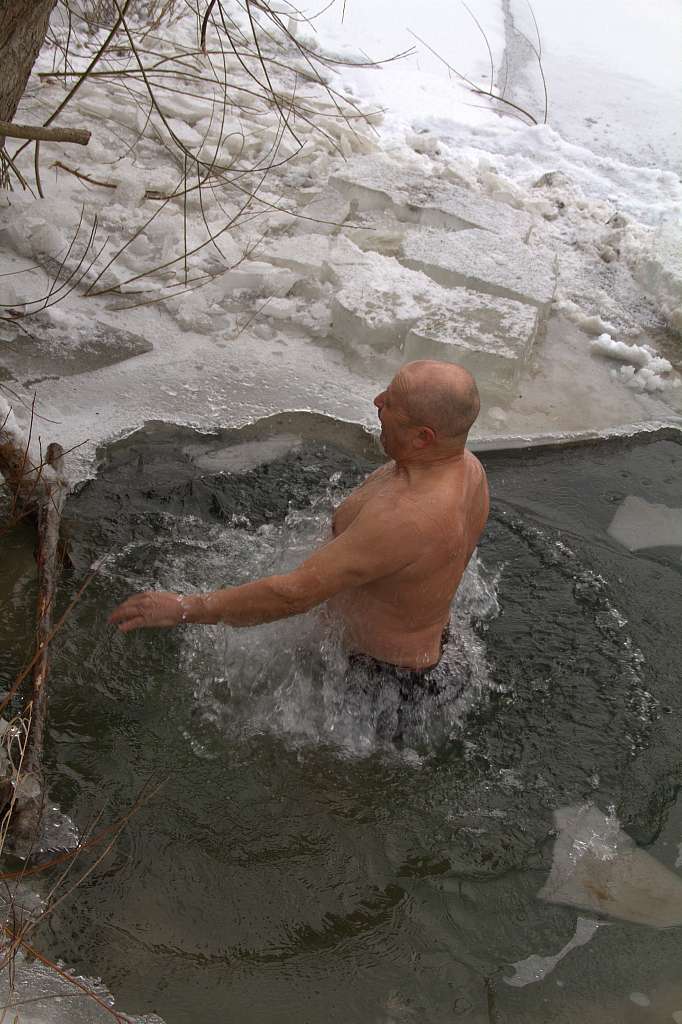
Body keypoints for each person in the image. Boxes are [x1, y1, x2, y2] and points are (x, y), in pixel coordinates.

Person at [109, 360, 489, 677]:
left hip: (379, 681)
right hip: (427, 650)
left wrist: (184, 608)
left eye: (390, 403)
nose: (377, 402)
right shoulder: (467, 470)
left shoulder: (409, 518)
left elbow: (293, 595)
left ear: (423, 437)